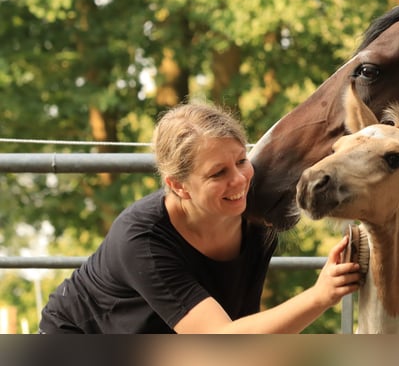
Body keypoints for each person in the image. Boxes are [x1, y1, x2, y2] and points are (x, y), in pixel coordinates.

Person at [39, 102, 361, 333]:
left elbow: (241, 331)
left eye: (240, 161)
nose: (239, 180)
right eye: (218, 173)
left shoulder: (255, 219)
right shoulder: (142, 240)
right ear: (178, 186)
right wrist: (320, 296)